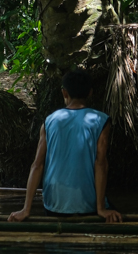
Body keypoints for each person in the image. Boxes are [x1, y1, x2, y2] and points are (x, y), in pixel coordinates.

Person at [9, 68, 122, 223]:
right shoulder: (101, 120)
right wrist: (101, 208)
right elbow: (101, 163)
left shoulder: (49, 121)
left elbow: (37, 165)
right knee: (117, 213)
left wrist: (26, 210)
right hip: (87, 205)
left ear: (64, 93)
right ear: (90, 93)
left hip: (53, 205)